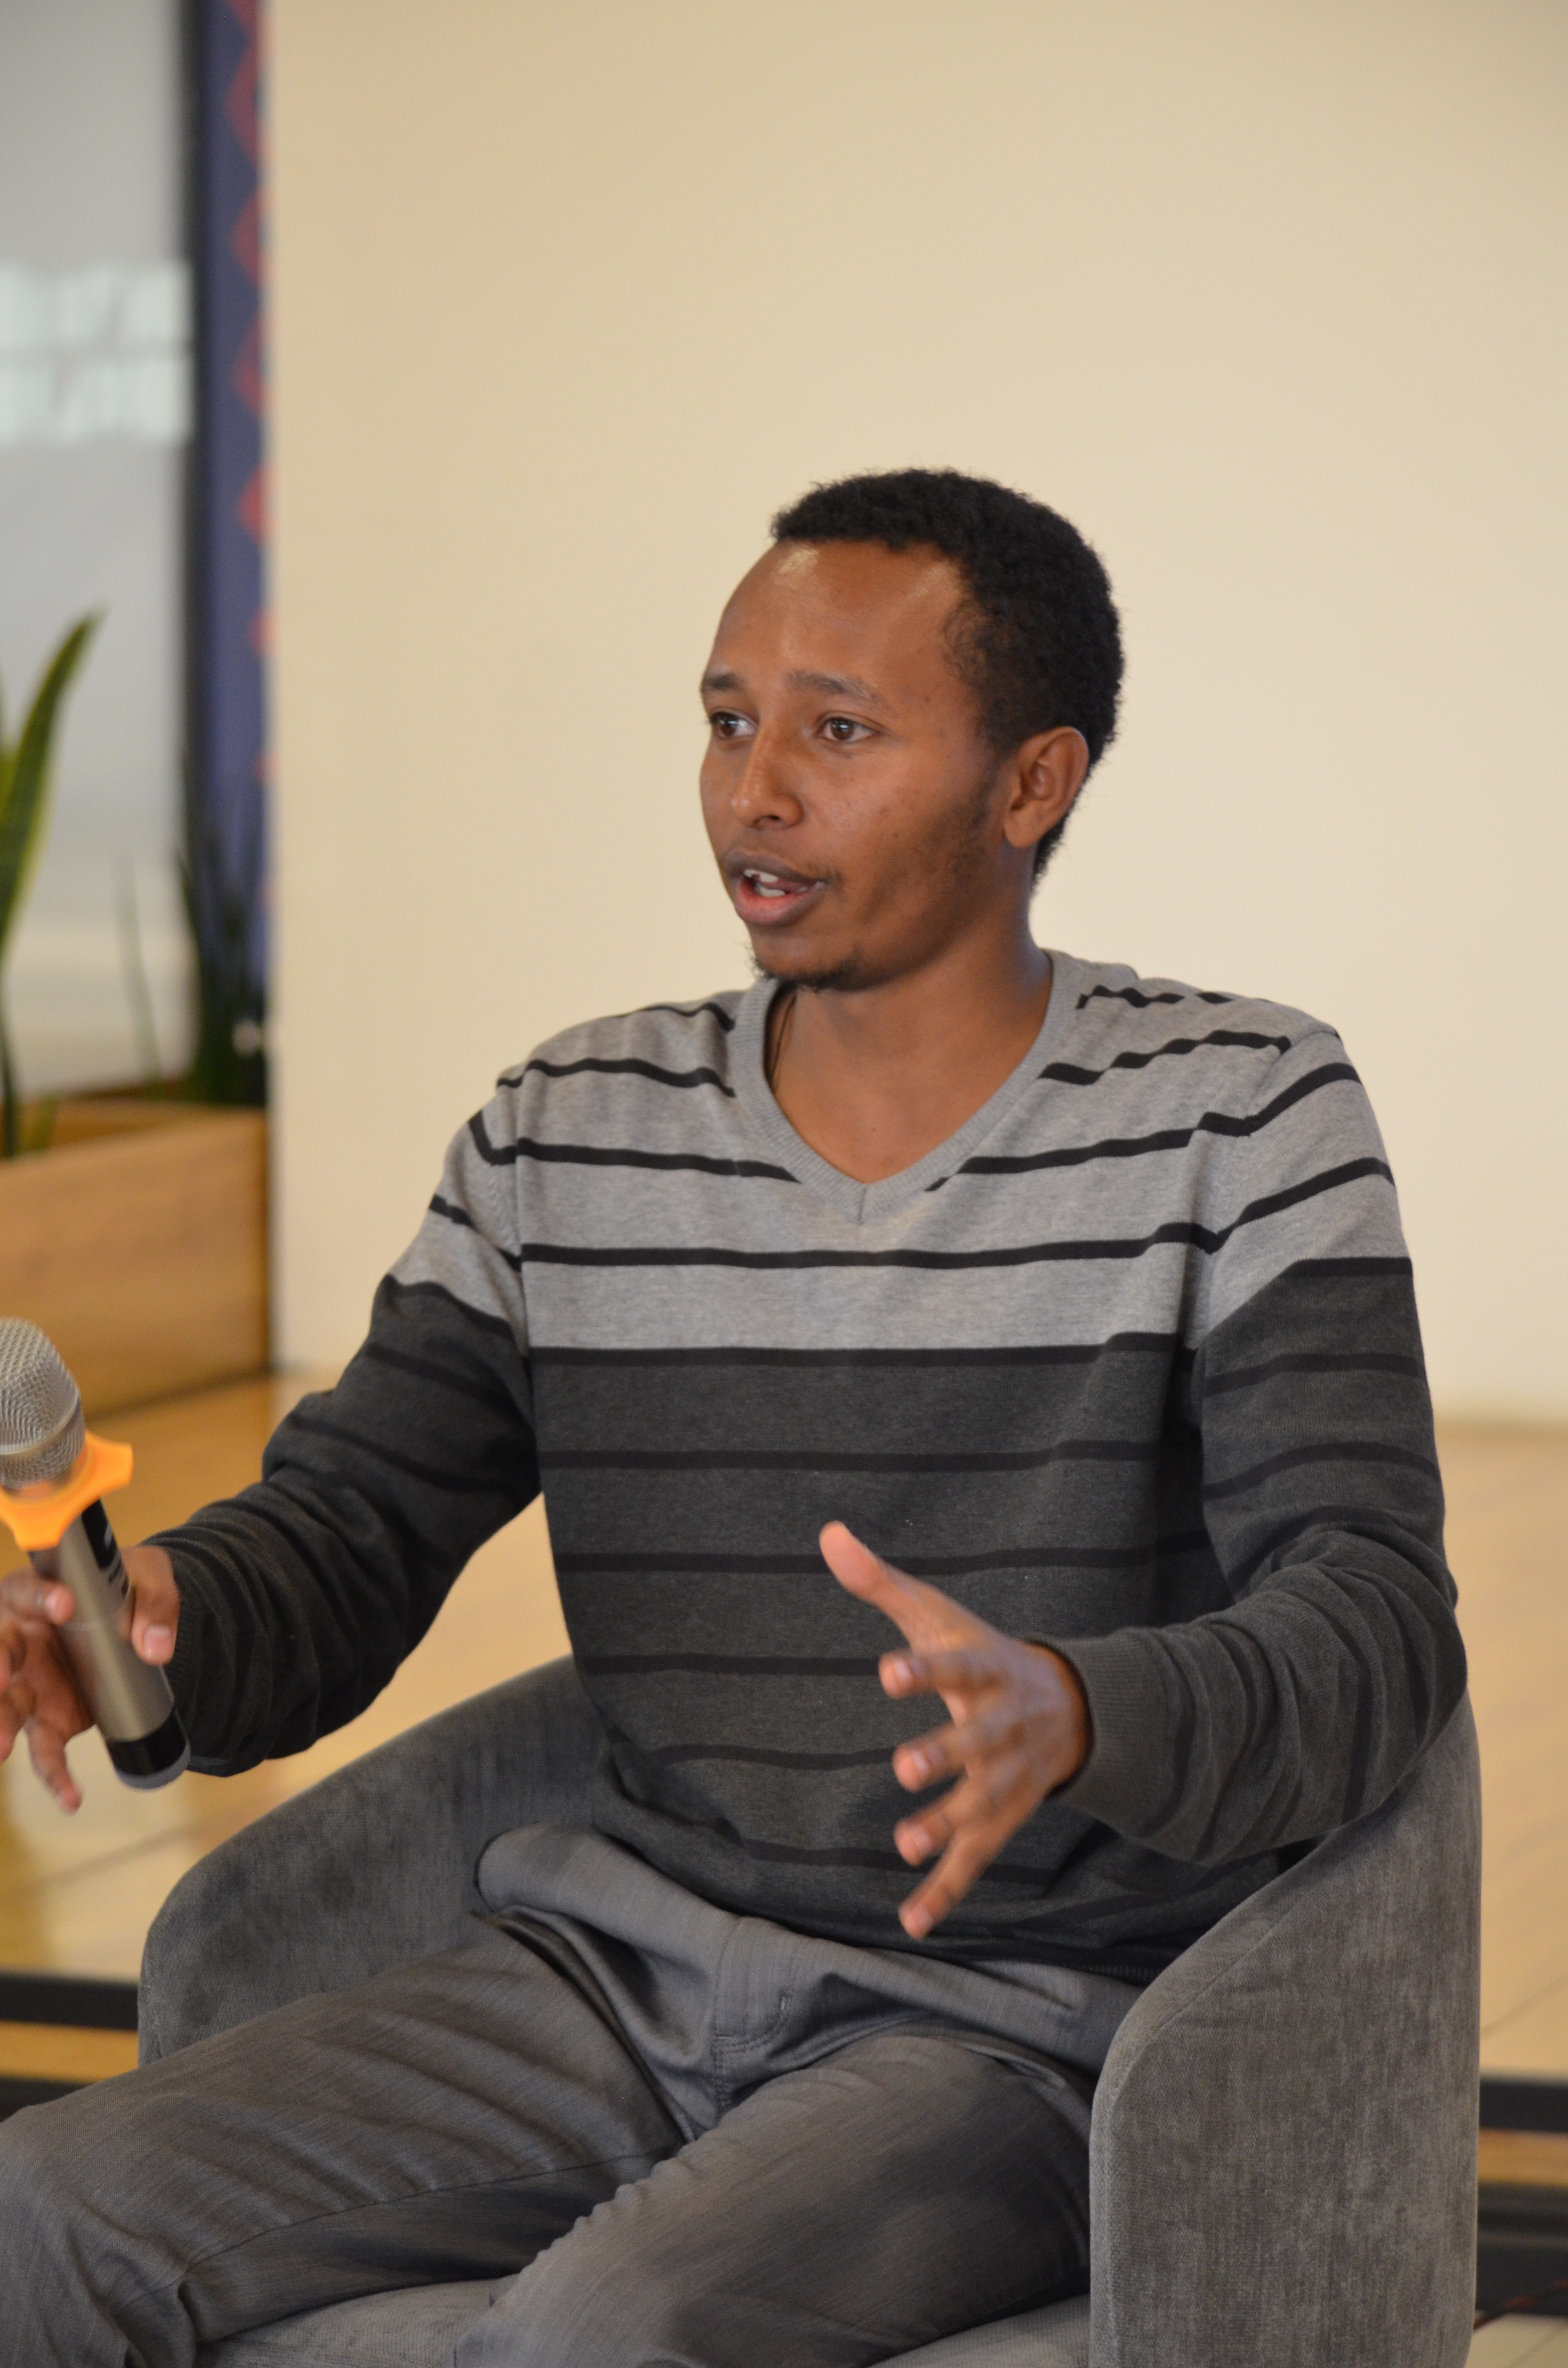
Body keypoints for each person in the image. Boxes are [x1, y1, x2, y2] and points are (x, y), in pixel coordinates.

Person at [0, 469, 1464, 2368]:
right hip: (605, 1971)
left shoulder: (1247, 1115)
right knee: (41, 2209)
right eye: (726, 717)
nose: (751, 789)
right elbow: (352, 1524)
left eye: (836, 732)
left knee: (598, 2331)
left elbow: (1370, 1615)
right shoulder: (569, 1127)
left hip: (1007, 2024)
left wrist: (1083, 1706)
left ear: (1032, 785)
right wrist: (178, 1612)